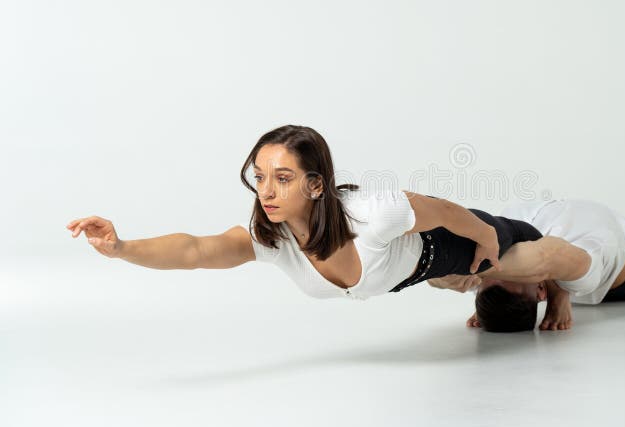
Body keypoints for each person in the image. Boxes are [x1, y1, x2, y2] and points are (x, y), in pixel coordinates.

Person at [66, 125, 562, 301]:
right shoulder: (272, 240)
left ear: (316, 183)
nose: (266, 190)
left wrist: (488, 240)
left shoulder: (372, 211)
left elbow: (444, 210)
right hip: (423, 274)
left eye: (282, 178)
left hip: (457, 242)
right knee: (501, 301)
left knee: (532, 248)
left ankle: (581, 275)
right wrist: (121, 248)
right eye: (259, 176)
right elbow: (195, 249)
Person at [426, 198, 625, 332]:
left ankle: (622, 231)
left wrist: (452, 274)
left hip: (610, 235)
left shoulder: (500, 263)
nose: (503, 265)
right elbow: (548, 256)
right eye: (512, 273)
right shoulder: (571, 271)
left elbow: (433, 276)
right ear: (541, 287)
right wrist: (482, 268)